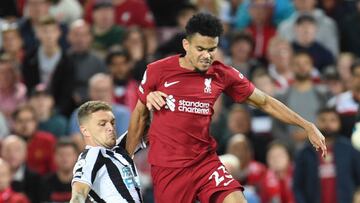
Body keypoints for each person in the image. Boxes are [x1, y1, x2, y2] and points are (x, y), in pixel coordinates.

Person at [126, 13, 327, 203]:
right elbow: (139, 116)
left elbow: (264, 101)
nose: (206, 55)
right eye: (200, 49)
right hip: (169, 168)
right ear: (186, 45)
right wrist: (125, 161)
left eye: (211, 49)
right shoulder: (157, 70)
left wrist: (306, 125)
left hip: (204, 162)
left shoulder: (221, 74)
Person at [70, 101, 144, 202]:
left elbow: (144, 125)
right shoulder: (92, 155)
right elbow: (79, 194)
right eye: (102, 124)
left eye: (112, 122)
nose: (111, 128)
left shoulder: (119, 150)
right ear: (85, 131)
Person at [293, 107, 360, 203]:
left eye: (333, 120)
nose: (328, 124)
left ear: (339, 123)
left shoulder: (350, 149)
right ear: (316, 123)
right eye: (323, 120)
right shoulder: (305, 152)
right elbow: (297, 186)